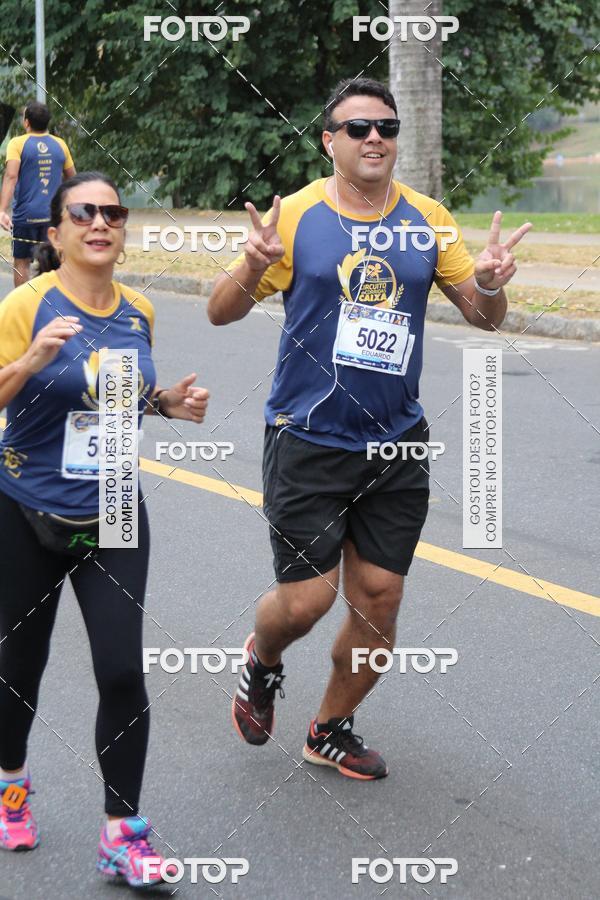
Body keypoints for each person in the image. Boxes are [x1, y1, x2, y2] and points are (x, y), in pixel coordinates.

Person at [208, 77, 531, 780]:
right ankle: (261, 660)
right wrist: (252, 265)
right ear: (330, 142)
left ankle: (330, 728)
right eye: (357, 128)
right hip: (308, 436)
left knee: (381, 597)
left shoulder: (427, 217)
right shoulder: (293, 217)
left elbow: (482, 316)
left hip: (395, 442)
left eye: (385, 125)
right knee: (305, 603)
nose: (375, 137)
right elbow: (218, 312)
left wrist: (495, 283)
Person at [0, 171, 209, 887]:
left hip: (116, 504)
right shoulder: (26, 303)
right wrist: (29, 361)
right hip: (24, 505)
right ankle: (11, 782)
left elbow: (116, 393)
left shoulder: (139, 310)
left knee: (121, 669)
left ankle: (122, 832)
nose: (100, 221)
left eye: (112, 212)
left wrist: (164, 403)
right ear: (54, 232)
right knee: (18, 668)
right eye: (82, 212)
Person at [0, 101, 76, 287]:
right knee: (52, 261)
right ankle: (52, 304)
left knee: (21, 262)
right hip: (52, 216)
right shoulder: (60, 145)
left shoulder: (17, 144)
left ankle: (24, 307)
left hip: (25, 216)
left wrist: (2, 210)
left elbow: (11, 176)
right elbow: (73, 179)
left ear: (27, 122)